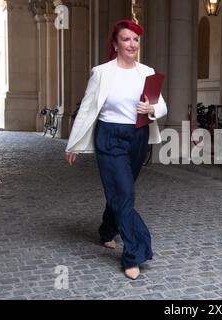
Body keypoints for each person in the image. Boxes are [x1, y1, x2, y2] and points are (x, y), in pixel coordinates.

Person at [65, 19, 167, 280]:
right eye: (126, 39)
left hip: (137, 136)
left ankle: (107, 230)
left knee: (122, 189)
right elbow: (88, 108)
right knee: (123, 192)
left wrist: (152, 109)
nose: (132, 44)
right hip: (110, 136)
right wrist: (74, 143)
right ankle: (135, 252)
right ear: (115, 44)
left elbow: (161, 105)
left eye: (135, 39)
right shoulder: (102, 72)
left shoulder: (146, 71)